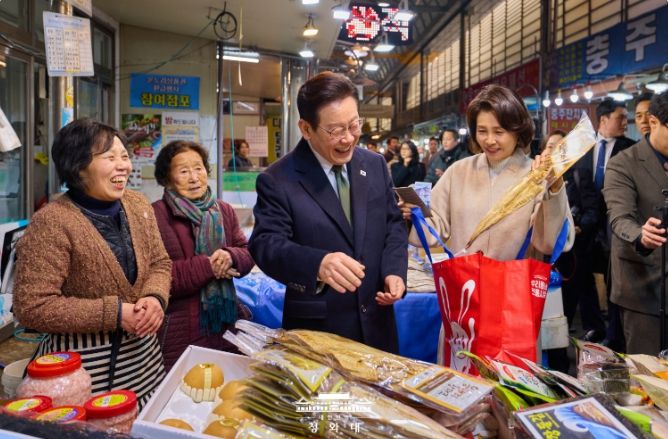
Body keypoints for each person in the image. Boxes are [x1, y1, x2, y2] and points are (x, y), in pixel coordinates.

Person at [398, 85, 573, 364]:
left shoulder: (537, 174)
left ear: (518, 130)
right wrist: (413, 214)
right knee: (461, 374)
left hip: (512, 301)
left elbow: (549, 242)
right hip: (463, 301)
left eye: (499, 132)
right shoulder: (459, 172)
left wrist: (554, 187)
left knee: (510, 377)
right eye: (482, 131)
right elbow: (435, 226)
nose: (489, 140)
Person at [13, 118, 171, 407]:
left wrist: (154, 297)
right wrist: (115, 313)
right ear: (77, 166)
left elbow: (160, 263)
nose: (123, 166)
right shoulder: (52, 221)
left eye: (124, 156)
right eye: (110, 157)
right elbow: (32, 306)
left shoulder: (138, 205)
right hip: (79, 375)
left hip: (144, 366)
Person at [249, 72, 407, 354]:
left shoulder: (374, 165)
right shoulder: (278, 179)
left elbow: (393, 223)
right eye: (335, 130)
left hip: (377, 324)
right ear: (306, 128)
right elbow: (265, 244)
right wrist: (317, 264)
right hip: (318, 331)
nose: (348, 138)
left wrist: (394, 270)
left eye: (354, 125)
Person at [152, 140, 254, 371]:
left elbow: (247, 251)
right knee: (186, 388)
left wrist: (231, 256)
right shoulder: (155, 215)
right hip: (180, 329)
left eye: (198, 168)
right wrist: (209, 267)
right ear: (167, 178)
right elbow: (157, 275)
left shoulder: (223, 210)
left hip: (226, 322)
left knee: (226, 383)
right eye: (183, 171)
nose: (194, 177)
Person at [603, 91, 668, 354]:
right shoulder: (623, 164)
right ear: (654, 122)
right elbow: (620, 217)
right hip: (643, 287)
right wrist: (641, 234)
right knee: (648, 369)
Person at [570, 99, 635, 348]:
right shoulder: (583, 148)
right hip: (586, 228)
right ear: (604, 119)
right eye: (621, 117)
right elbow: (574, 185)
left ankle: (615, 336)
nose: (625, 122)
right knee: (583, 280)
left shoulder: (630, 149)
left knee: (614, 282)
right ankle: (593, 329)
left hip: (615, 227)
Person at [549, 130, 606, 342]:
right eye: (550, 146)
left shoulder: (578, 174)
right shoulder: (537, 178)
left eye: (559, 146)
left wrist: (579, 226)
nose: (554, 151)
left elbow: (593, 210)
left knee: (572, 297)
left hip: (573, 251)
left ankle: (569, 341)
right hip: (547, 252)